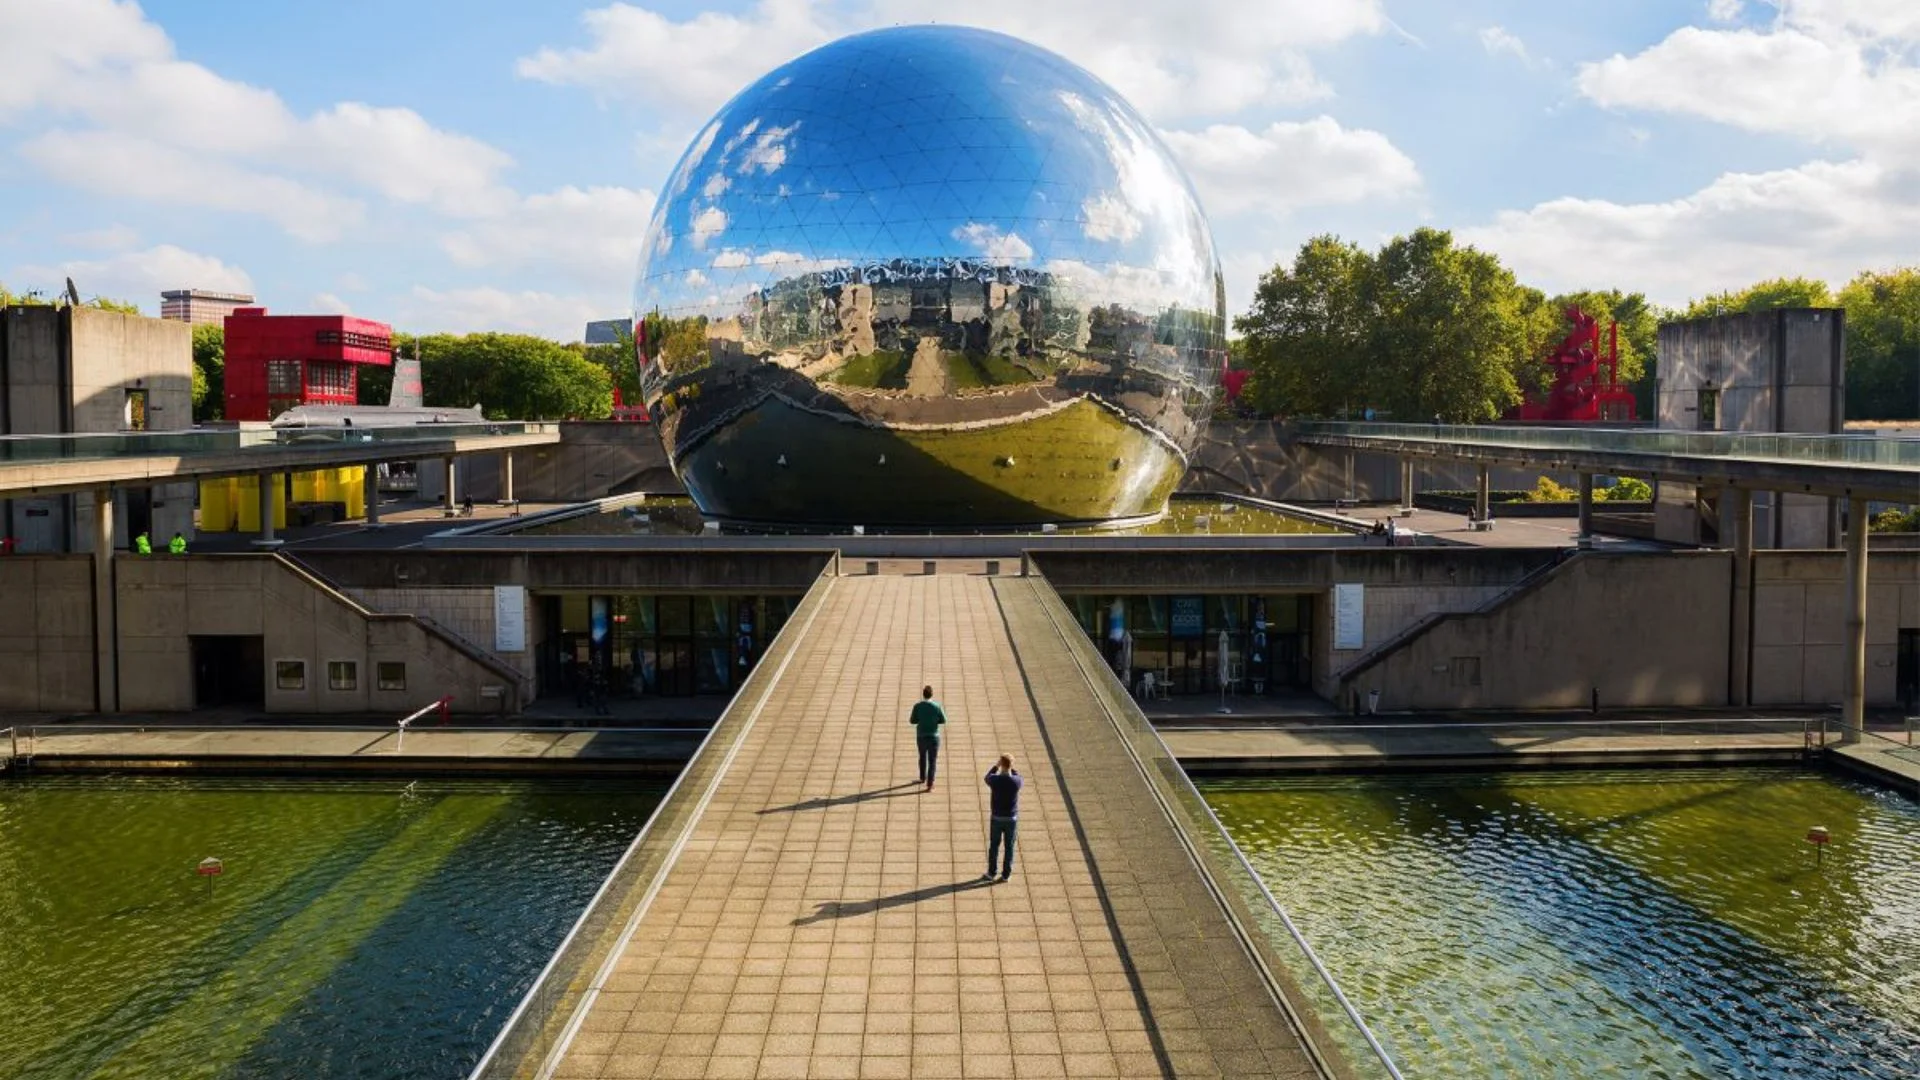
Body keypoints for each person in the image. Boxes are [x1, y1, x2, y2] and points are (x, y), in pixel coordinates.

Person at [984, 755, 1023, 882]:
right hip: (1011, 818)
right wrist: (1011, 767)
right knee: (1009, 847)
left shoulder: (995, 780)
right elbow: (1018, 775)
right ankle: (1006, 874)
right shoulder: (1016, 782)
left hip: (997, 817)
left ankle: (991, 872)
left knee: (994, 845)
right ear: (1011, 765)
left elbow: (987, 777)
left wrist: (996, 766)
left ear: (1002, 764)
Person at [909, 685, 946, 791]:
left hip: (921, 736)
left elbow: (912, 721)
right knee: (932, 760)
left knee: (922, 757)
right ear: (932, 694)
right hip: (934, 736)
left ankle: (922, 777)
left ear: (923, 694)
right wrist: (935, 722)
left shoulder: (917, 706)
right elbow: (943, 720)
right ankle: (930, 784)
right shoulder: (937, 706)